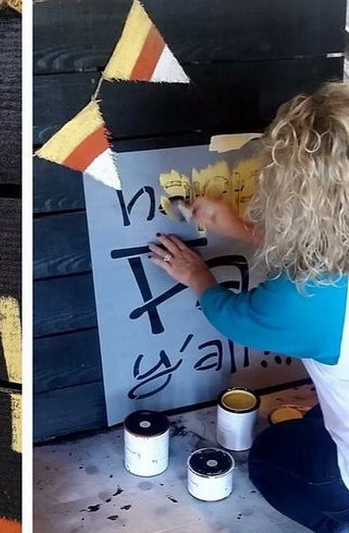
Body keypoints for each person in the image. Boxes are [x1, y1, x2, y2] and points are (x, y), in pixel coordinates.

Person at [149, 83, 349, 533]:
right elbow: (333, 251)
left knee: (270, 456)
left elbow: (235, 317)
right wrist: (241, 228)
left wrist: (199, 277)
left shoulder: (307, 298)